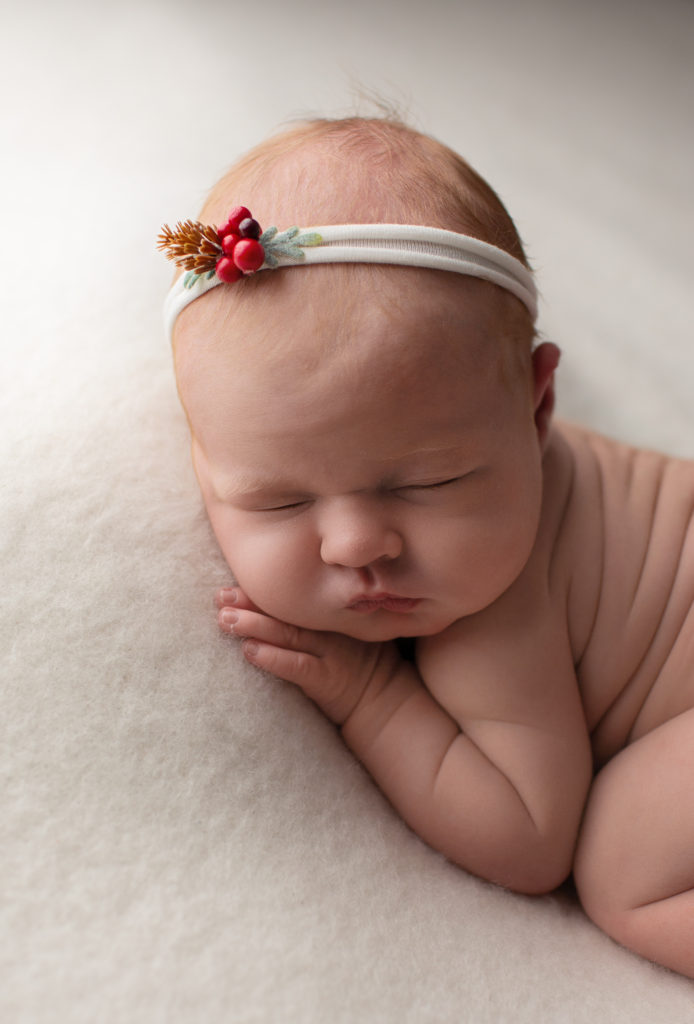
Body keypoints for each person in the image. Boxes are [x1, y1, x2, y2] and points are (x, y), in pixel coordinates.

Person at [159, 116, 694, 977]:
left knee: (623, 868)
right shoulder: (476, 444)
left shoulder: (493, 614)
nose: (355, 543)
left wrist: (371, 696)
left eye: (427, 483)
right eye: (278, 497)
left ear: (536, 408)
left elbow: (529, 839)